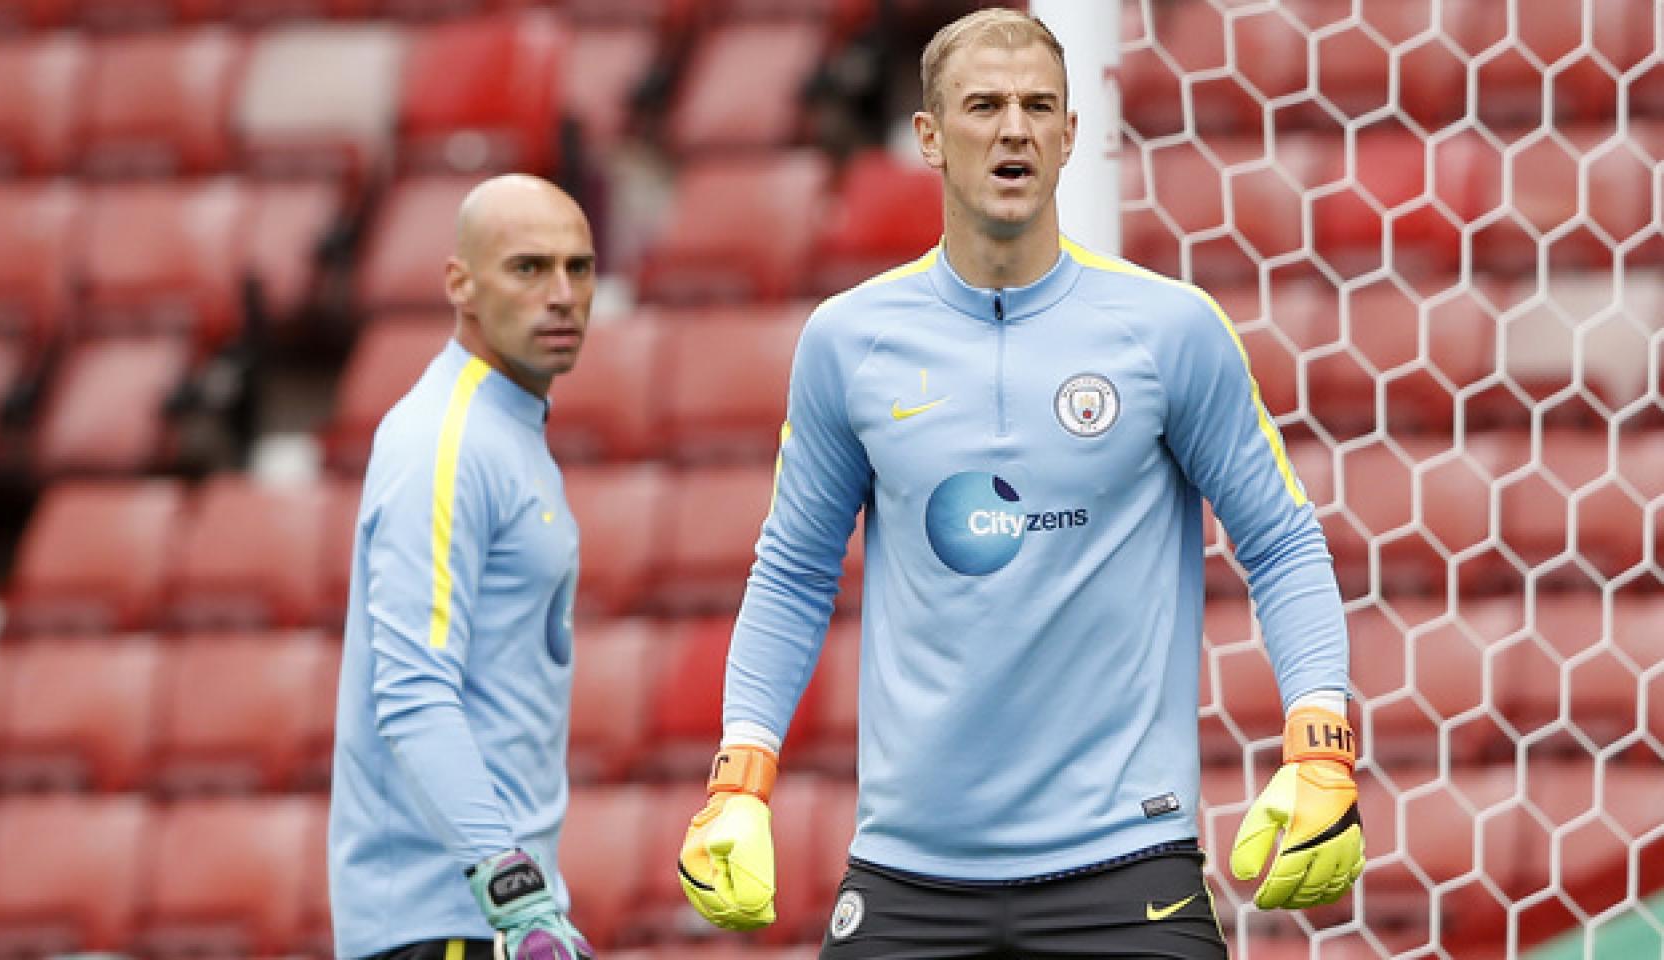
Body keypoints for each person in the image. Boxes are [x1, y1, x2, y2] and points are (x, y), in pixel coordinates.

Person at [675, 8, 1363, 958]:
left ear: (1072, 135)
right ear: (927, 135)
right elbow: (793, 572)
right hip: (910, 873)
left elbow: (1283, 542)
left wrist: (1320, 740)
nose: (1014, 128)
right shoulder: (849, 340)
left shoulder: (1170, 331)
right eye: (984, 105)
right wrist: (739, 779)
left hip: (1127, 869)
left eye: (1040, 106)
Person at [328, 174, 597, 960]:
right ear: (460, 283)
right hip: (447, 923)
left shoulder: (506, 428)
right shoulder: (444, 442)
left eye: (578, 268)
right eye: (528, 267)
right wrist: (514, 898)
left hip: (496, 916)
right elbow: (412, 691)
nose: (561, 294)